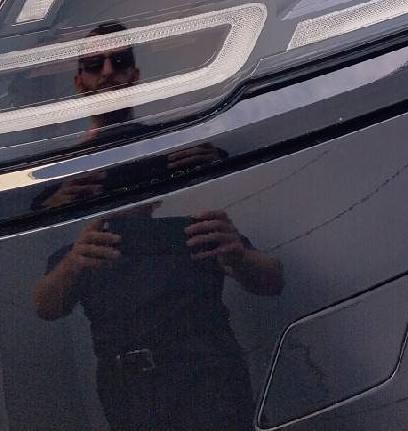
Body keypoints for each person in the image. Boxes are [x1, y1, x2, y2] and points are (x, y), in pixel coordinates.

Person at [32, 33, 284, 431]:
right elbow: (46, 306)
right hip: (128, 392)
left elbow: (272, 280)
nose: (108, 72)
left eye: (119, 61)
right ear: (79, 81)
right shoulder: (72, 225)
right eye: (94, 65)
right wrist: (73, 261)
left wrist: (235, 253)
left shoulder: (191, 199)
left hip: (212, 380)